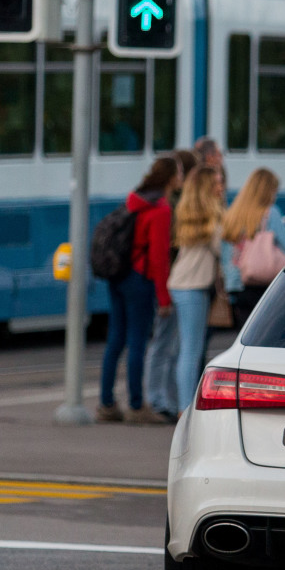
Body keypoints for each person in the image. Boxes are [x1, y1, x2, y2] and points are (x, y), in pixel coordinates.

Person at [97, 156, 182, 424]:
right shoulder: (160, 209)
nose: (181, 177)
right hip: (139, 278)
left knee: (116, 339)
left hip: (119, 275)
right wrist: (164, 298)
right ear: (170, 178)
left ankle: (107, 404)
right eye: (179, 172)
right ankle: (136, 406)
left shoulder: (136, 199)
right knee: (137, 342)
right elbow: (159, 258)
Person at [143, 150, 198, 423]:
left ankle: (166, 398)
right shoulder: (169, 206)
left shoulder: (166, 203)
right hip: (171, 281)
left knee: (168, 343)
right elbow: (162, 254)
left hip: (169, 281)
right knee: (166, 342)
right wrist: (164, 295)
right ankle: (159, 398)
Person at [167, 166, 226, 413]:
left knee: (182, 350)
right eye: (217, 184)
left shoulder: (190, 214)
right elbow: (222, 250)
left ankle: (178, 403)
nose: (222, 187)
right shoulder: (212, 219)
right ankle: (185, 409)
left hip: (181, 284)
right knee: (191, 351)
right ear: (206, 190)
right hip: (193, 287)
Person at [222, 167, 285, 327]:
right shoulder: (271, 213)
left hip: (237, 285)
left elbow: (226, 253)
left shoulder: (233, 213)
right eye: (274, 191)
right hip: (262, 283)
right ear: (268, 191)